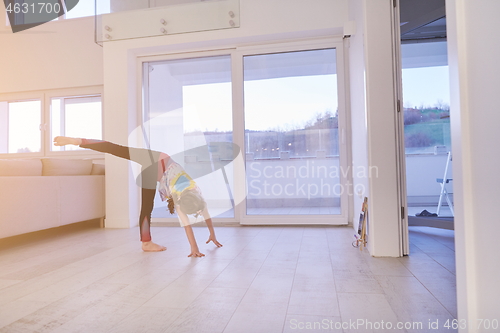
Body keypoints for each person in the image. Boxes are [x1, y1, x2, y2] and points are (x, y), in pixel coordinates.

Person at [53, 136, 222, 257]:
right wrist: (194, 247)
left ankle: (79, 141)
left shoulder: (195, 193)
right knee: (146, 207)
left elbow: (201, 216)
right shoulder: (182, 198)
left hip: (158, 158)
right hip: (156, 168)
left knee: (115, 149)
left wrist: (211, 235)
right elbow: (190, 223)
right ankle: (146, 243)